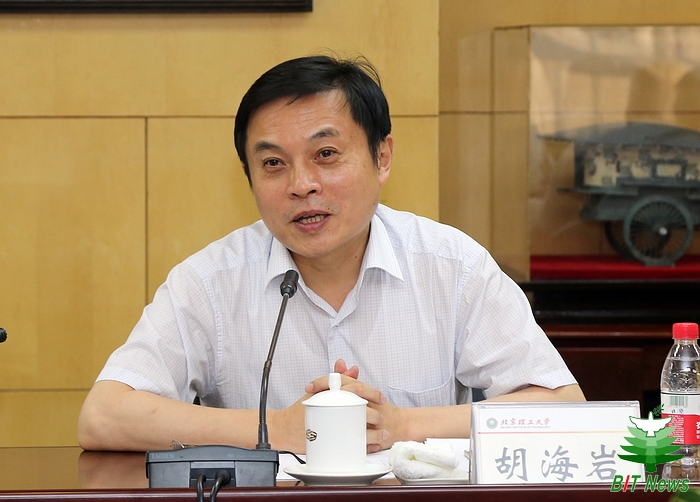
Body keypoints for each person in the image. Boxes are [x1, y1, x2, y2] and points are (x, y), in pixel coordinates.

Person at [78, 54, 584, 453]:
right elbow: (103, 416)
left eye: (326, 155)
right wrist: (275, 429)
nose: (301, 185)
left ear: (381, 157)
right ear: (249, 177)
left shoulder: (453, 267)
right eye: (273, 164)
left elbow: (563, 406)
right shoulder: (211, 281)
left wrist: (402, 426)